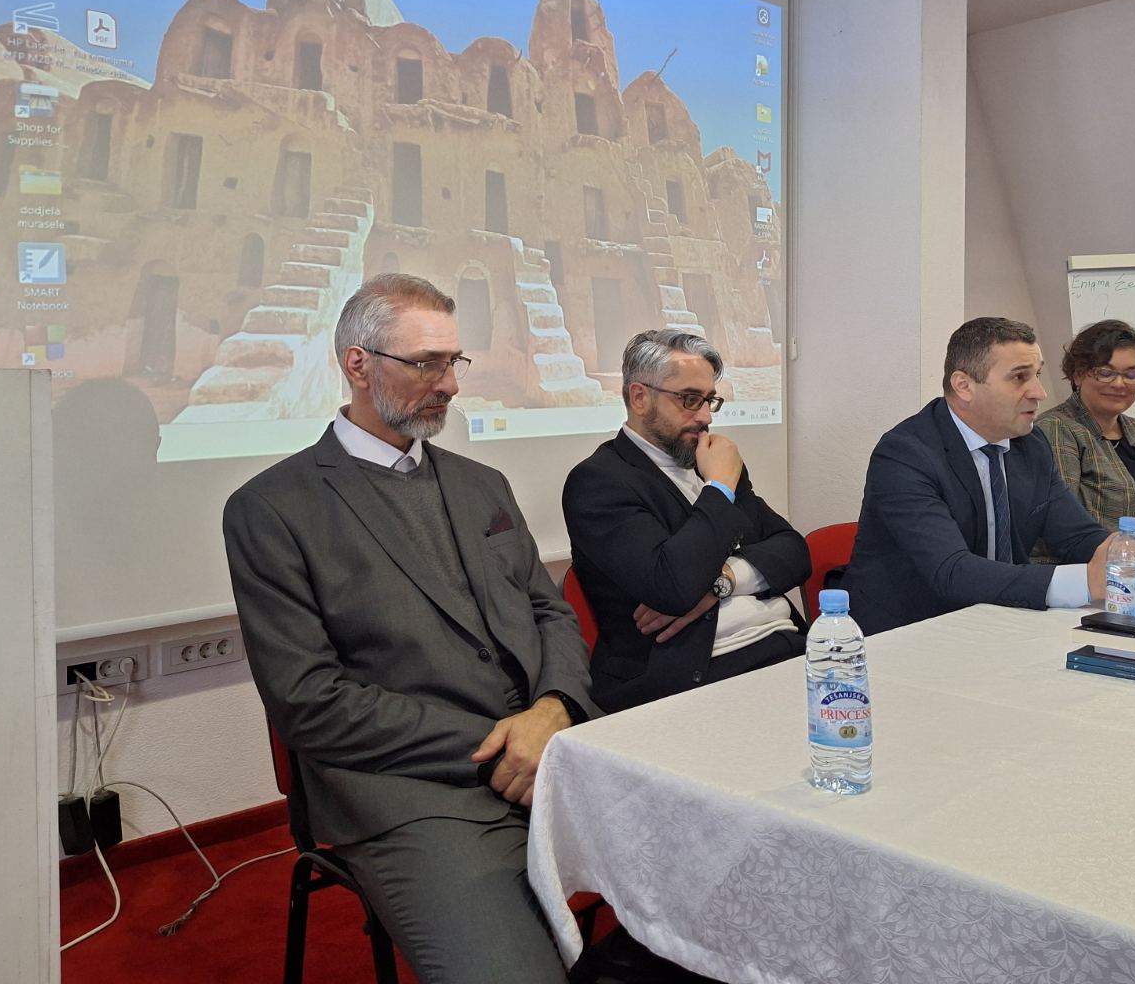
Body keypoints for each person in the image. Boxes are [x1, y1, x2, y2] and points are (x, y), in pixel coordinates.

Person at [222, 273, 598, 984]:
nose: (449, 384)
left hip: (554, 751)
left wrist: (553, 709)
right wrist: (501, 744)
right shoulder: (272, 509)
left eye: (453, 362)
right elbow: (309, 702)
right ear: (357, 364)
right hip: (413, 790)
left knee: (714, 901)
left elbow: (549, 612)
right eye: (425, 363)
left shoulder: (482, 484)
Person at [840, 316, 1135, 634]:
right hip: (909, 633)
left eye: (1037, 375)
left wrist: (1117, 551)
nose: (1039, 392)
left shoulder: (1031, 444)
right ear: (964, 386)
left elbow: (1074, 534)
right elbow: (952, 571)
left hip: (999, 621)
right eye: (1019, 378)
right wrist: (1086, 580)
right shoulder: (905, 454)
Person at [563, 329, 810, 712]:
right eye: (690, 400)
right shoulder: (599, 481)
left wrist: (724, 581)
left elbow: (794, 552)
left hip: (786, 646)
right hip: (696, 676)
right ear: (639, 397)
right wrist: (719, 488)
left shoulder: (710, 462)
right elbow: (673, 587)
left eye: (709, 400)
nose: (705, 416)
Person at [1034, 319, 1135, 556]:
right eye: (1105, 373)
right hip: (1094, 573)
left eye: (1132, 374)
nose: (1119, 384)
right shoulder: (1055, 430)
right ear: (1078, 374)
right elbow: (1061, 527)